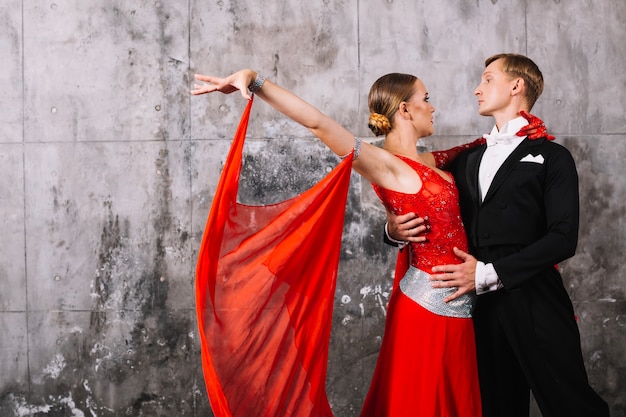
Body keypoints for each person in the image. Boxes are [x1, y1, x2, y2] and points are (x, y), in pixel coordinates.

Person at [191, 68, 545, 417]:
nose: (433, 107)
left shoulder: (425, 161)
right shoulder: (385, 164)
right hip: (429, 310)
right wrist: (255, 80)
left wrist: (519, 131)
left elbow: (478, 147)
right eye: (426, 99)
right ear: (405, 110)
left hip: (460, 308)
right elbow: (318, 123)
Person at [386, 53, 610, 417]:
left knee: (571, 404)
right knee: (495, 408)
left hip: (535, 299)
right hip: (475, 308)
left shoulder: (553, 157)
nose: (477, 89)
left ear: (516, 86)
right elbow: (405, 178)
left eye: (488, 79)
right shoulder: (467, 158)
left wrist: (489, 273)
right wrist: (392, 230)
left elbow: (563, 237)